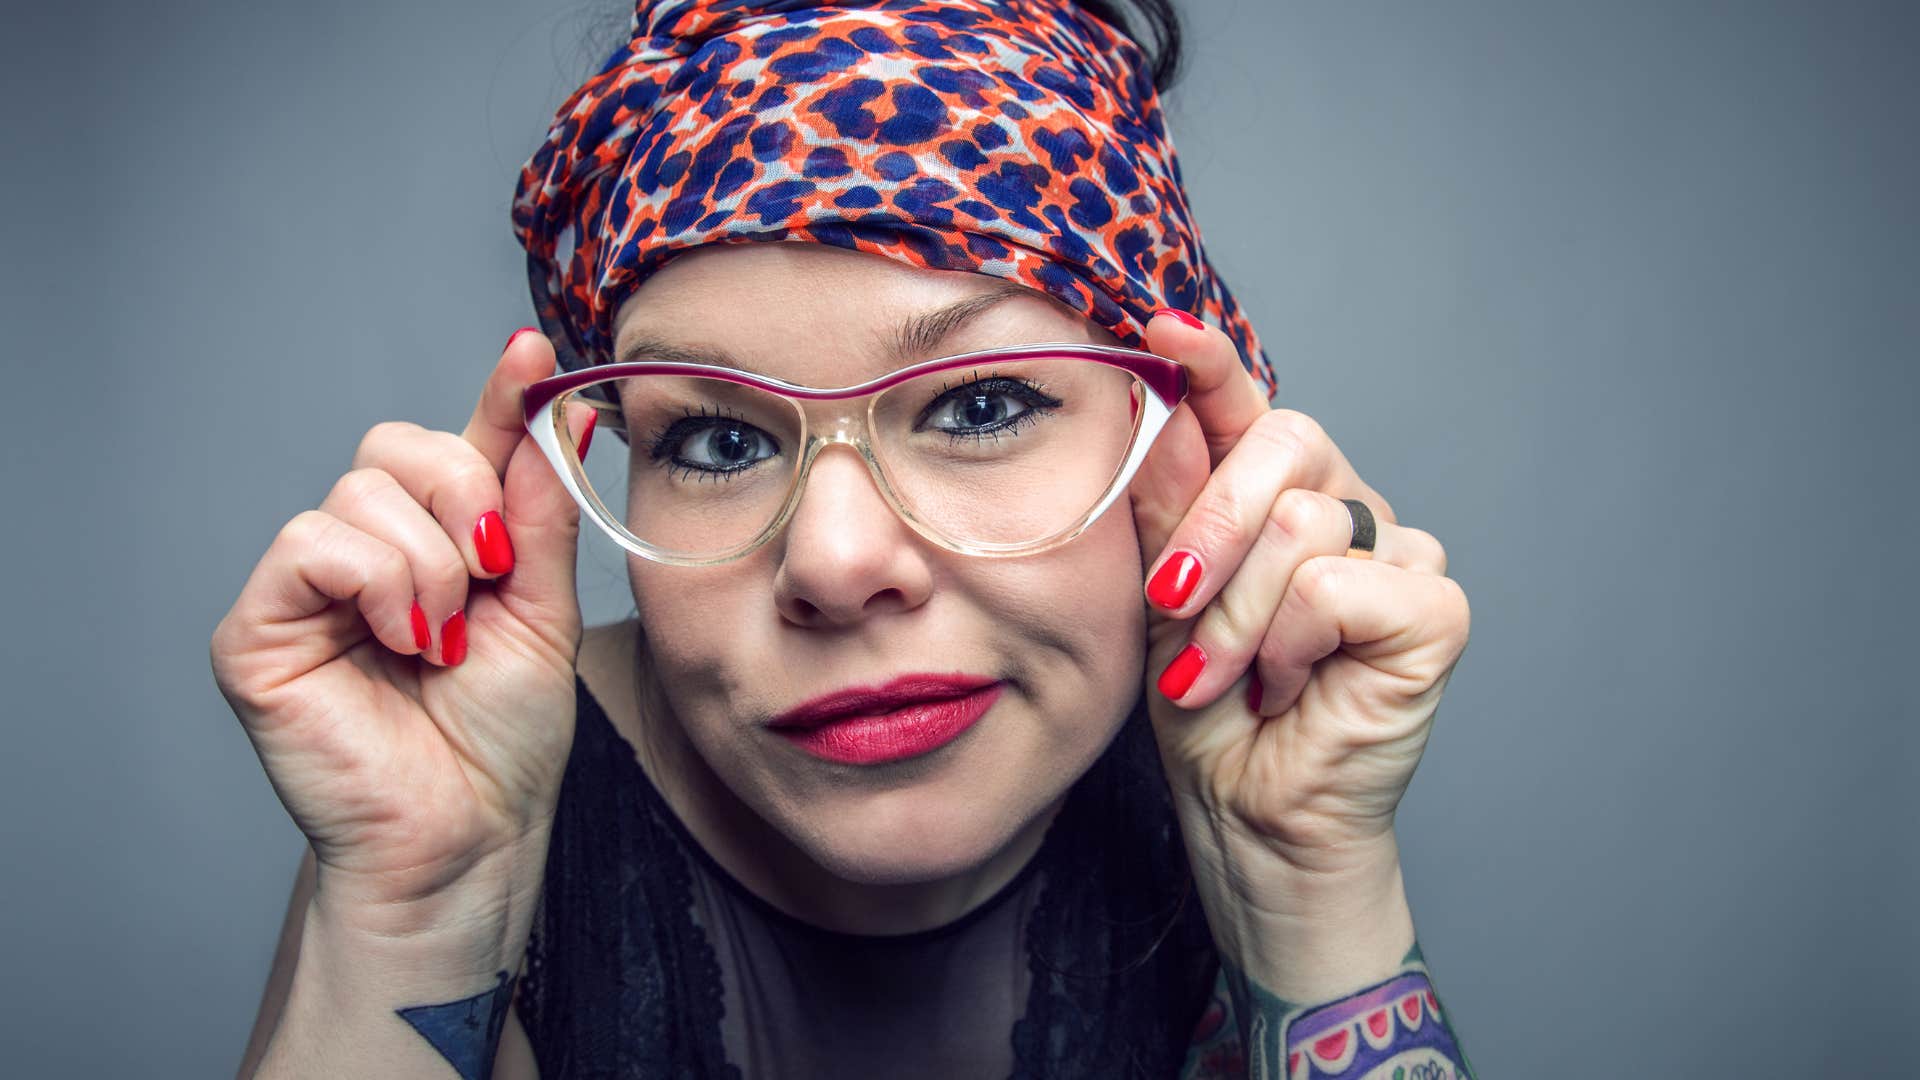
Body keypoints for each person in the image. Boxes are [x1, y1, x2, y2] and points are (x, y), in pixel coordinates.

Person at [213, 1, 1480, 1076]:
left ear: (1185, 433)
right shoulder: (472, 783)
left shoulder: (1250, 758)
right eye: (716, 439)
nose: (831, 562)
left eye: (981, 407)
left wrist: (1303, 878)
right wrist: (417, 905)